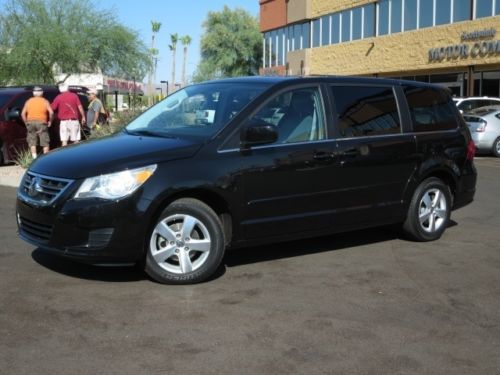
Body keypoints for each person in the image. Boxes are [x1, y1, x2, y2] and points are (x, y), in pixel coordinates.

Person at [21, 86, 54, 158]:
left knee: (32, 141)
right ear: (42, 93)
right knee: (45, 141)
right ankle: (45, 159)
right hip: (42, 122)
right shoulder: (45, 101)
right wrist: (50, 121)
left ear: (33, 93)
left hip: (30, 122)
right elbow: (51, 113)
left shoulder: (28, 101)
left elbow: (22, 114)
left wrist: (26, 123)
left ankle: (34, 159)